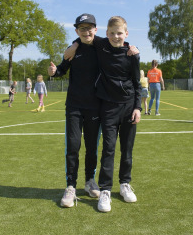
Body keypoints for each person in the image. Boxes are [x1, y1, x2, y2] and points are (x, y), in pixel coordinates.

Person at [67, 16, 142, 212]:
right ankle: (105, 190)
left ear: (126, 34)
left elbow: (136, 83)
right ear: (106, 33)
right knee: (108, 149)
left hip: (128, 108)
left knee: (127, 150)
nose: (116, 37)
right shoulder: (101, 45)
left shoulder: (132, 54)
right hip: (107, 107)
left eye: (120, 33)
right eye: (112, 33)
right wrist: (74, 45)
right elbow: (86, 37)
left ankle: (125, 184)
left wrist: (137, 108)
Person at [48, 13, 102, 207]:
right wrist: (55, 72)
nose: (86, 32)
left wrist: (133, 50)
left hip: (96, 106)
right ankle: (70, 186)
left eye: (89, 28)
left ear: (96, 29)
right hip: (74, 106)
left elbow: (119, 43)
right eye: (82, 28)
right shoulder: (73, 49)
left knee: (92, 147)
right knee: (72, 145)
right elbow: (63, 69)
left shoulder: (102, 46)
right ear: (76, 30)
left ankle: (89, 181)